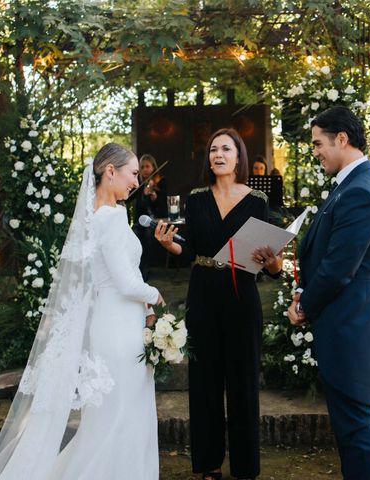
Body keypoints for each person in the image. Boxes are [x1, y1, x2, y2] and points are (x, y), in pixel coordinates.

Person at [0, 143, 164, 480]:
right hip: (120, 329)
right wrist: (155, 295)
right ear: (110, 171)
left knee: (113, 416)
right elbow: (125, 283)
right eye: (133, 173)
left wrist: (146, 308)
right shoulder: (110, 217)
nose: (136, 182)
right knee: (124, 415)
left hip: (115, 323)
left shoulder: (95, 216)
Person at [155, 128, 282, 480]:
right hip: (204, 294)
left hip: (242, 295)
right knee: (204, 382)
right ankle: (209, 464)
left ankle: (245, 468)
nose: (218, 154)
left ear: (238, 156)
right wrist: (170, 247)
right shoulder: (196, 199)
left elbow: (273, 268)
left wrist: (271, 260)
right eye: (213, 149)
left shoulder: (257, 201)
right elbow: (190, 249)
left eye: (226, 148)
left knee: (242, 384)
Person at [287, 106, 370, 480]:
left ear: (342, 139)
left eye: (318, 143)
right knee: (350, 432)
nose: (315, 151)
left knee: (355, 432)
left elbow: (338, 268)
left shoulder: (361, 191)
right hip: (346, 326)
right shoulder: (352, 185)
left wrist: (304, 304)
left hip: (351, 329)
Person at [132, 154, 168, 280]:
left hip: (155, 221)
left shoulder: (161, 182)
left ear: (153, 167)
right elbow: (139, 208)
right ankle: (138, 267)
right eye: (142, 167)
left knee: (148, 234)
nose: (145, 169)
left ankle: (146, 268)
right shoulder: (138, 185)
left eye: (148, 166)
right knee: (134, 233)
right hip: (140, 221)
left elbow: (163, 207)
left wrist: (155, 198)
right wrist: (145, 195)